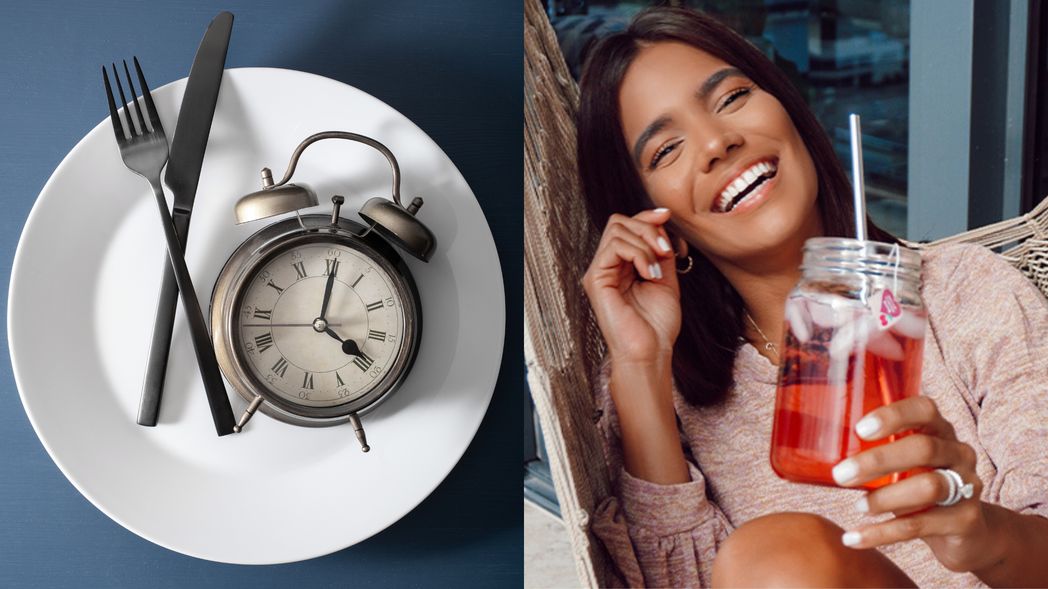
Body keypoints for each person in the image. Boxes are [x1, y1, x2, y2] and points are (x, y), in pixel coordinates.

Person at [576, 7, 1048, 587]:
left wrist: (980, 534)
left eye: (730, 98)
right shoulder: (660, 391)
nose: (718, 142)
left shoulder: (968, 294)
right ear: (653, 218)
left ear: (791, 113)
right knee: (780, 559)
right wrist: (641, 365)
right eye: (665, 151)